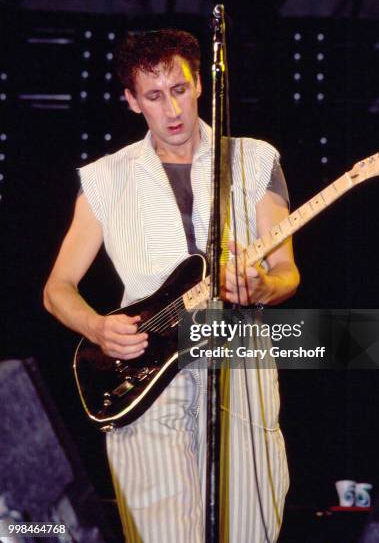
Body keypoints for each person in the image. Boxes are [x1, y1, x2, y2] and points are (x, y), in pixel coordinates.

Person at [43, 29, 300, 543]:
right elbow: (58, 288)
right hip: (144, 377)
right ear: (132, 101)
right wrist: (96, 325)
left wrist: (261, 286)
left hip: (240, 366)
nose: (172, 109)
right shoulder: (104, 178)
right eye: (155, 96)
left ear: (200, 84)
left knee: (249, 528)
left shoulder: (253, 160)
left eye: (179, 89)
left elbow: (286, 272)